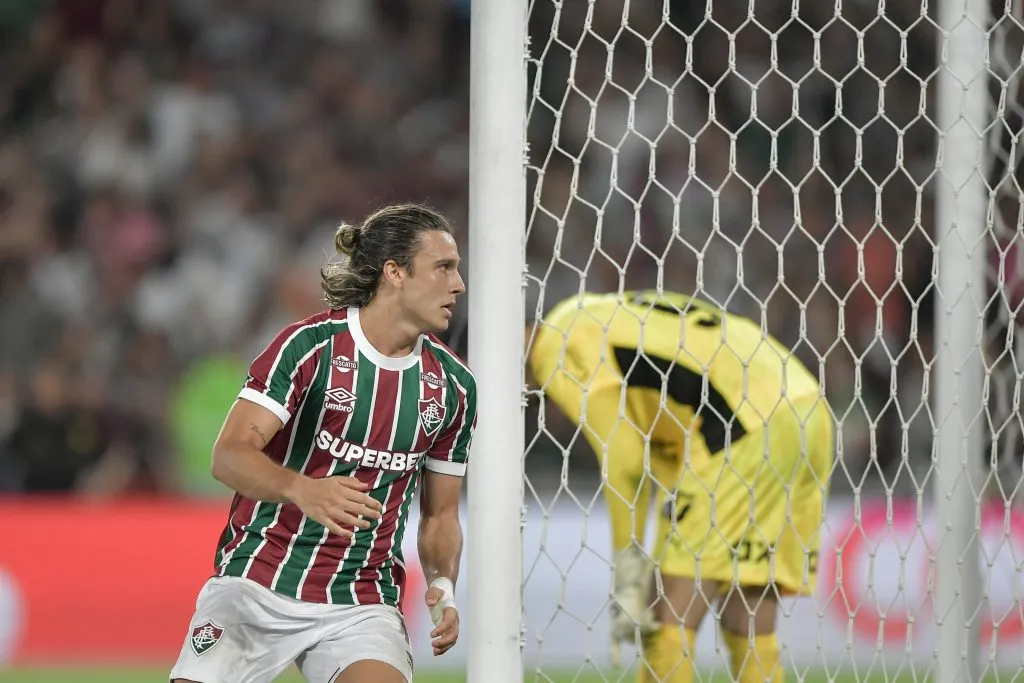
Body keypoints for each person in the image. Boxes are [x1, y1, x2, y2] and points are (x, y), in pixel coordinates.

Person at [170, 203, 477, 683]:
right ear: (394, 272)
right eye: (443, 268)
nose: (458, 285)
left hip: (361, 600)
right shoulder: (309, 348)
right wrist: (301, 489)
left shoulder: (454, 386)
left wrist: (444, 584)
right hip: (259, 580)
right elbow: (228, 455)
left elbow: (440, 516)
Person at [526, 290, 833, 683]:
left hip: (744, 428)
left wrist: (629, 575)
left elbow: (624, 462)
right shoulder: (591, 312)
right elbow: (672, 481)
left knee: (666, 616)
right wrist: (645, 560)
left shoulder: (553, 345)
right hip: (808, 409)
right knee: (747, 609)